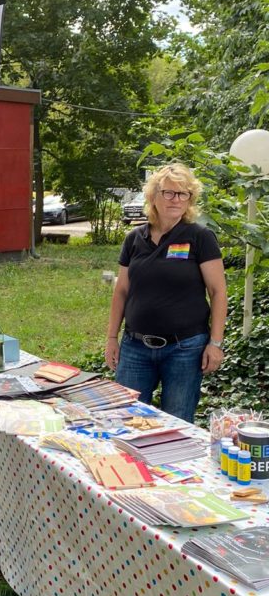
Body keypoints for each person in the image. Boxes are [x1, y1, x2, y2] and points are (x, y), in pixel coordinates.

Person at [105, 162, 227, 423]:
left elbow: (218, 292)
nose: (176, 199)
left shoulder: (200, 237)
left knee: (178, 424)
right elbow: (122, 291)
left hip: (185, 349)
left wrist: (215, 343)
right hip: (135, 347)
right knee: (126, 420)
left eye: (184, 194)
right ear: (153, 196)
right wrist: (112, 337)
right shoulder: (134, 239)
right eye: (169, 192)